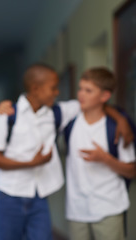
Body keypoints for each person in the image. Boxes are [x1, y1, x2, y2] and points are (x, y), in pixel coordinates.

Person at [0, 63, 132, 240]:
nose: (57, 92)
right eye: (53, 88)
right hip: (8, 196)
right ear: (35, 88)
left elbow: (95, 104)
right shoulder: (8, 114)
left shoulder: (56, 113)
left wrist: (121, 119)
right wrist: (32, 163)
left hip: (39, 195)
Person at [65, 67, 135, 240]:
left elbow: (132, 171)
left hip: (108, 208)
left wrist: (105, 159)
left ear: (104, 96)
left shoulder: (116, 128)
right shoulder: (69, 120)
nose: (81, 94)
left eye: (88, 91)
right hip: (76, 210)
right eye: (80, 88)